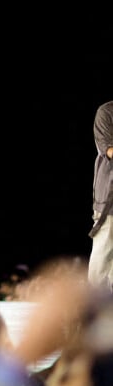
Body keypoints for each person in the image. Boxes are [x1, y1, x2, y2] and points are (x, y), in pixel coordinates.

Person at [89, 100, 113, 291]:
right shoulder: (106, 112)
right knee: (104, 250)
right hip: (110, 198)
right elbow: (109, 150)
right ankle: (93, 309)